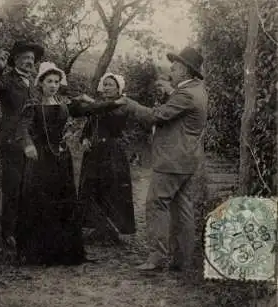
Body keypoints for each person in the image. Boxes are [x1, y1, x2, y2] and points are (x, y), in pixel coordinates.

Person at [16, 62, 122, 265]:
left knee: (63, 203)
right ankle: (36, 253)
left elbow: (91, 109)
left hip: (60, 158)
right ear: (41, 83)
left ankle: (61, 253)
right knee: (39, 202)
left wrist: (116, 103)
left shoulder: (65, 104)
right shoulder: (32, 105)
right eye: (49, 82)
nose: (53, 85)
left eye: (56, 82)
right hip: (40, 159)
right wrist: (28, 146)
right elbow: (22, 129)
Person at [114, 47, 208, 272]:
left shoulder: (185, 94)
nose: (171, 72)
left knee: (156, 204)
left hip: (171, 160)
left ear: (185, 71)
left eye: (174, 68)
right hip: (187, 159)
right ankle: (182, 259)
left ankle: (156, 258)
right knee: (182, 208)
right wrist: (170, 93)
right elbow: (177, 113)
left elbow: (157, 116)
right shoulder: (198, 90)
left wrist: (130, 104)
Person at [0, 40, 44, 249]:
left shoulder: (35, 83)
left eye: (32, 59)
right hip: (11, 142)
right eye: (25, 58)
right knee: (12, 188)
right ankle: (8, 233)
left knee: (30, 187)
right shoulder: (8, 80)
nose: (29, 62)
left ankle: (25, 230)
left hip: (31, 142)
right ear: (15, 60)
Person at [78, 73, 136, 243]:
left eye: (111, 85)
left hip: (112, 153)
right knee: (91, 188)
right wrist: (85, 139)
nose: (107, 88)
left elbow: (113, 122)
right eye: (105, 84)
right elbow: (88, 127)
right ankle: (97, 228)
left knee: (112, 189)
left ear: (119, 88)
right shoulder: (100, 106)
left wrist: (93, 103)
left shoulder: (122, 106)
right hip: (94, 153)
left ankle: (115, 230)